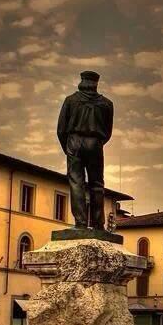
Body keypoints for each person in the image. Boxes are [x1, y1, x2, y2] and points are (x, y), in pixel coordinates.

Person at [56, 71, 114, 230]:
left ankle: (81, 223)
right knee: (97, 184)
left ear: (82, 82)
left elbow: (61, 129)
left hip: (74, 142)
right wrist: (98, 143)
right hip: (95, 143)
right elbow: (108, 132)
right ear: (96, 84)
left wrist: (67, 148)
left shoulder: (70, 101)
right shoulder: (107, 104)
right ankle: (98, 224)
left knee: (76, 182)